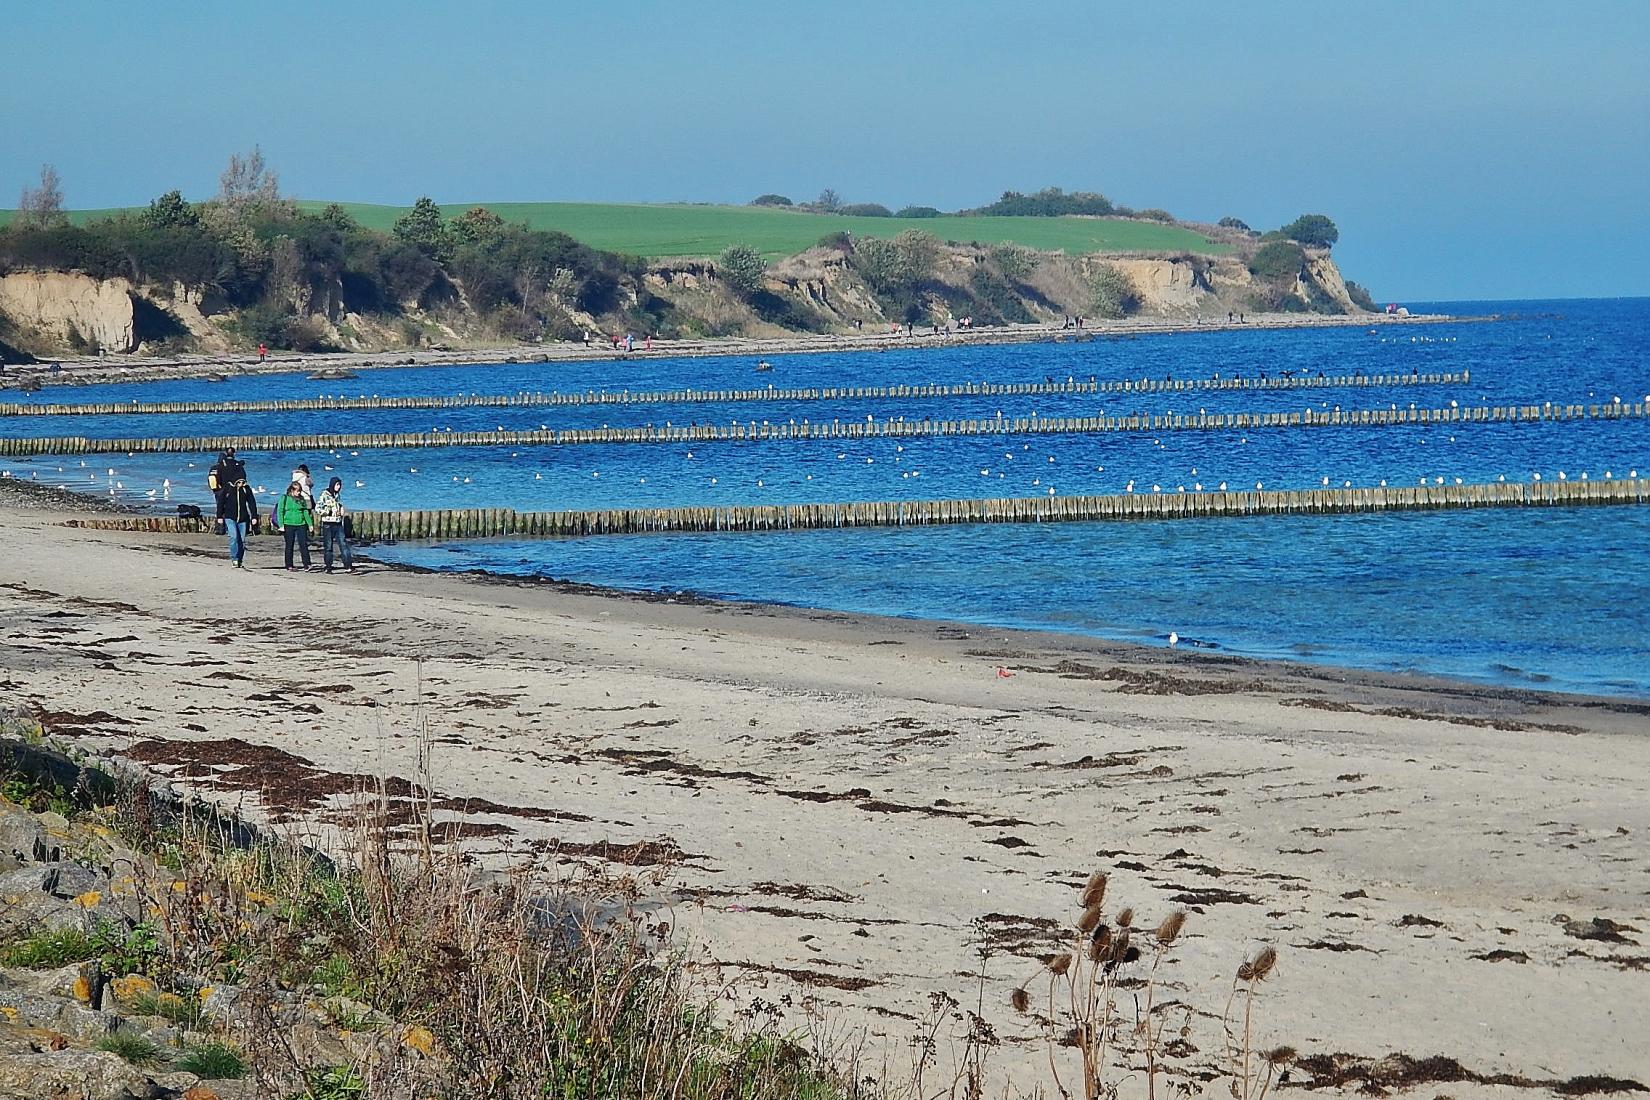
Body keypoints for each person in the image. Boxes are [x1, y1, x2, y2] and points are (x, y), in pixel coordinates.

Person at [208, 449, 259, 568]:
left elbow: (252, 503)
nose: (242, 482)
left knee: (242, 540)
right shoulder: (228, 487)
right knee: (234, 537)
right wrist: (219, 516)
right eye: (240, 480)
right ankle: (234, 559)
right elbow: (220, 503)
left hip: (243, 517)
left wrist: (254, 517)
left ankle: (239, 559)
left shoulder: (246, 488)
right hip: (230, 516)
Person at [315, 477, 354, 573]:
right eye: (337, 485)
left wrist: (341, 509)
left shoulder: (337, 495)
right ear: (332, 484)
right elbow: (317, 508)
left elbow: (338, 505)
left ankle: (348, 565)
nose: (339, 487)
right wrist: (329, 512)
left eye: (340, 485)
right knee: (328, 546)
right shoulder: (324, 495)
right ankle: (328, 566)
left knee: (343, 544)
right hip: (328, 524)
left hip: (338, 523)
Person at [275, 481, 315, 571]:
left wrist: (310, 524)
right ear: (292, 490)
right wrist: (281, 525)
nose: (299, 493)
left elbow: (305, 512)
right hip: (288, 524)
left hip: (301, 524)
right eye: (297, 491)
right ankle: (289, 565)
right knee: (289, 545)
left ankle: (307, 564)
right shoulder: (284, 498)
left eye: (300, 491)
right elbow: (280, 511)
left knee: (303, 544)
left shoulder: (302, 499)